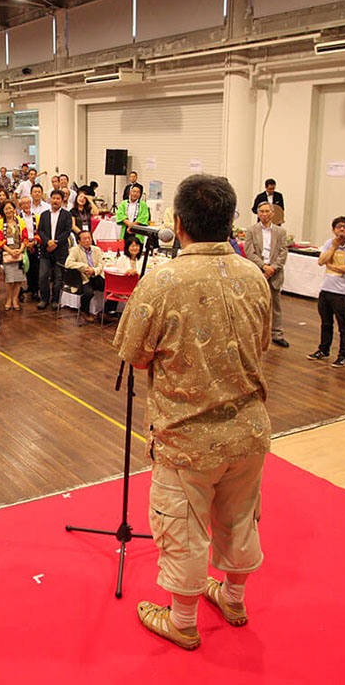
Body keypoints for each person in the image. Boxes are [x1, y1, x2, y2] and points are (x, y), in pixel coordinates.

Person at [113, 174, 272, 651]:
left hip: (186, 438)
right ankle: (233, 598)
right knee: (240, 518)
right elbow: (263, 342)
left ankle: (182, 621)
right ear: (230, 222)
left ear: (178, 224)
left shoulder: (162, 281)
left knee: (182, 527)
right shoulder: (254, 276)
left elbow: (134, 354)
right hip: (248, 431)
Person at [309, 216, 345, 368]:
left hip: (341, 292)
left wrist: (331, 266)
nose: (341, 229)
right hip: (326, 289)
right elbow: (321, 261)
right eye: (338, 227)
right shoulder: (329, 243)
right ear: (333, 229)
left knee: (343, 326)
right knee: (326, 323)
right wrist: (333, 247)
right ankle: (323, 350)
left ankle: (344, 356)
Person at [243, 201, 290, 347]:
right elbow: (249, 252)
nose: (264, 214)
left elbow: (283, 252)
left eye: (267, 211)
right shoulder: (251, 230)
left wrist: (272, 268)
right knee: (255, 304)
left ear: (272, 213)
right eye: (261, 211)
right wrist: (263, 266)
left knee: (275, 305)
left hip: (275, 273)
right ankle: (255, 334)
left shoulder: (281, 232)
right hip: (258, 272)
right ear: (258, 213)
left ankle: (277, 334)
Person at [37, 189, 73, 310]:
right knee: (43, 276)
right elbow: (40, 230)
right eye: (53, 198)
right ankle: (44, 299)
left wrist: (56, 243)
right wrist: (48, 242)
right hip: (46, 249)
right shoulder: (44, 214)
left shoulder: (67, 215)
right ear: (50, 200)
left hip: (60, 250)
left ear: (62, 201)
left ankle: (56, 300)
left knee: (58, 277)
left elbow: (67, 231)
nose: (55, 201)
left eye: (58, 199)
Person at [64, 229, 106, 320]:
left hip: (96, 276)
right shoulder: (75, 250)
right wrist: (84, 267)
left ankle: (106, 312)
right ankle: (84, 311)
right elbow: (68, 264)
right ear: (79, 241)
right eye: (84, 239)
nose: (87, 241)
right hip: (83, 279)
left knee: (112, 289)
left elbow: (101, 264)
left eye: (89, 238)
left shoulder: (97, 249)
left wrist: (94, 271)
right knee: (88, 293)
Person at [0, 200, 29, 311]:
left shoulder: (21, 222)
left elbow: (25, 238)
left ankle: (15, 300)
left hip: (19, 254)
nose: (9, 210)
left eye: (10, 208)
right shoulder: (0, 223)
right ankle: (8, 300)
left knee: (19, 279)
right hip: (7, 254)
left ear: (14, 209)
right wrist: (10, 251)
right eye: (6, 209)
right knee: (9, 279)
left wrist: (20, 250)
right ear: (3, 211)